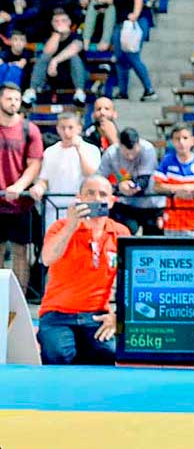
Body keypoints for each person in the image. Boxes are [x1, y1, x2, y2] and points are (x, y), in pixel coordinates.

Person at [37, 175, 127, 364]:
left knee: (109, 356)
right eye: (90, 193)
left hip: (96, 316)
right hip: (57, 314)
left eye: (102, 194)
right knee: (59, 355)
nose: (96, 199)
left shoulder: (120, 233)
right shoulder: (60, 227)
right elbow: (47, 259)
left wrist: (117, 317)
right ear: (79, 198)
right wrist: (71, 226)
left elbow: (132, 280)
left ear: (111, 201)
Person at [0, 83, 42, 291]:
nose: (14, 103)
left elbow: (34, 164)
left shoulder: (29, 129)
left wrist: (18, 186)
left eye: (17, 99)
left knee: (20, 253)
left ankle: (19, 303)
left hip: (20, 203)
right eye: (9, 99)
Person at [29, 111, 99, 226]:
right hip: (54, 207)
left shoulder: (91, 150)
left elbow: (91, 175)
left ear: (79, 128)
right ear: (57, 129)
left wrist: (79, 149)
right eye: (63, 128)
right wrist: (38, 187)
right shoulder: (50, 151)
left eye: (70, 127)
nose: (66, 132)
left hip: (81, 207)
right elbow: (44, 180)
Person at [108, 0, 157, 101]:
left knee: (132, 55)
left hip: (132, 23)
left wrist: (135, 14)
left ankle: (149, 89)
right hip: (120, 23)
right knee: (120, 58)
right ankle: (123, 91)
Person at [154, 122, 194, 237]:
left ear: (192, 140)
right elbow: (157, 186)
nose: (181, 142)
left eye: (185, 138)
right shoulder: (167, 161)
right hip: (172, 223)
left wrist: (189, 188)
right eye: (177, 139)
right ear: (172, 142)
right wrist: (179, 191)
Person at [99, 126, 164, 234]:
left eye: (133, 153)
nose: (130, 157)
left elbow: (144, 179)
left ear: (138, 144)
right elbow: (100, 179)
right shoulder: (111, 153)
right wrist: (118, 187)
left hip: (150, 201)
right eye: (126, 154)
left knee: (153, 238)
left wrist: (135, 187)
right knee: (125, 233)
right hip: (125, 202)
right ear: (119, 145)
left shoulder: (148, 149)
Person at [23, 9, 87, 106]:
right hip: (53, 75)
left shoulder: (76, 36)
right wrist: (57, 33)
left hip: (74, 76)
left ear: (69, 22)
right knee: (43, 56)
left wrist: (55, 61)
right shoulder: (50, 37)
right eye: (56, 21)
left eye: (63, 20)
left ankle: (79, 93)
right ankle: (31, 91)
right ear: (52, 24)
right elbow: (47, 52)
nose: (60, 23)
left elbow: (74, 48)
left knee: (73, 56)